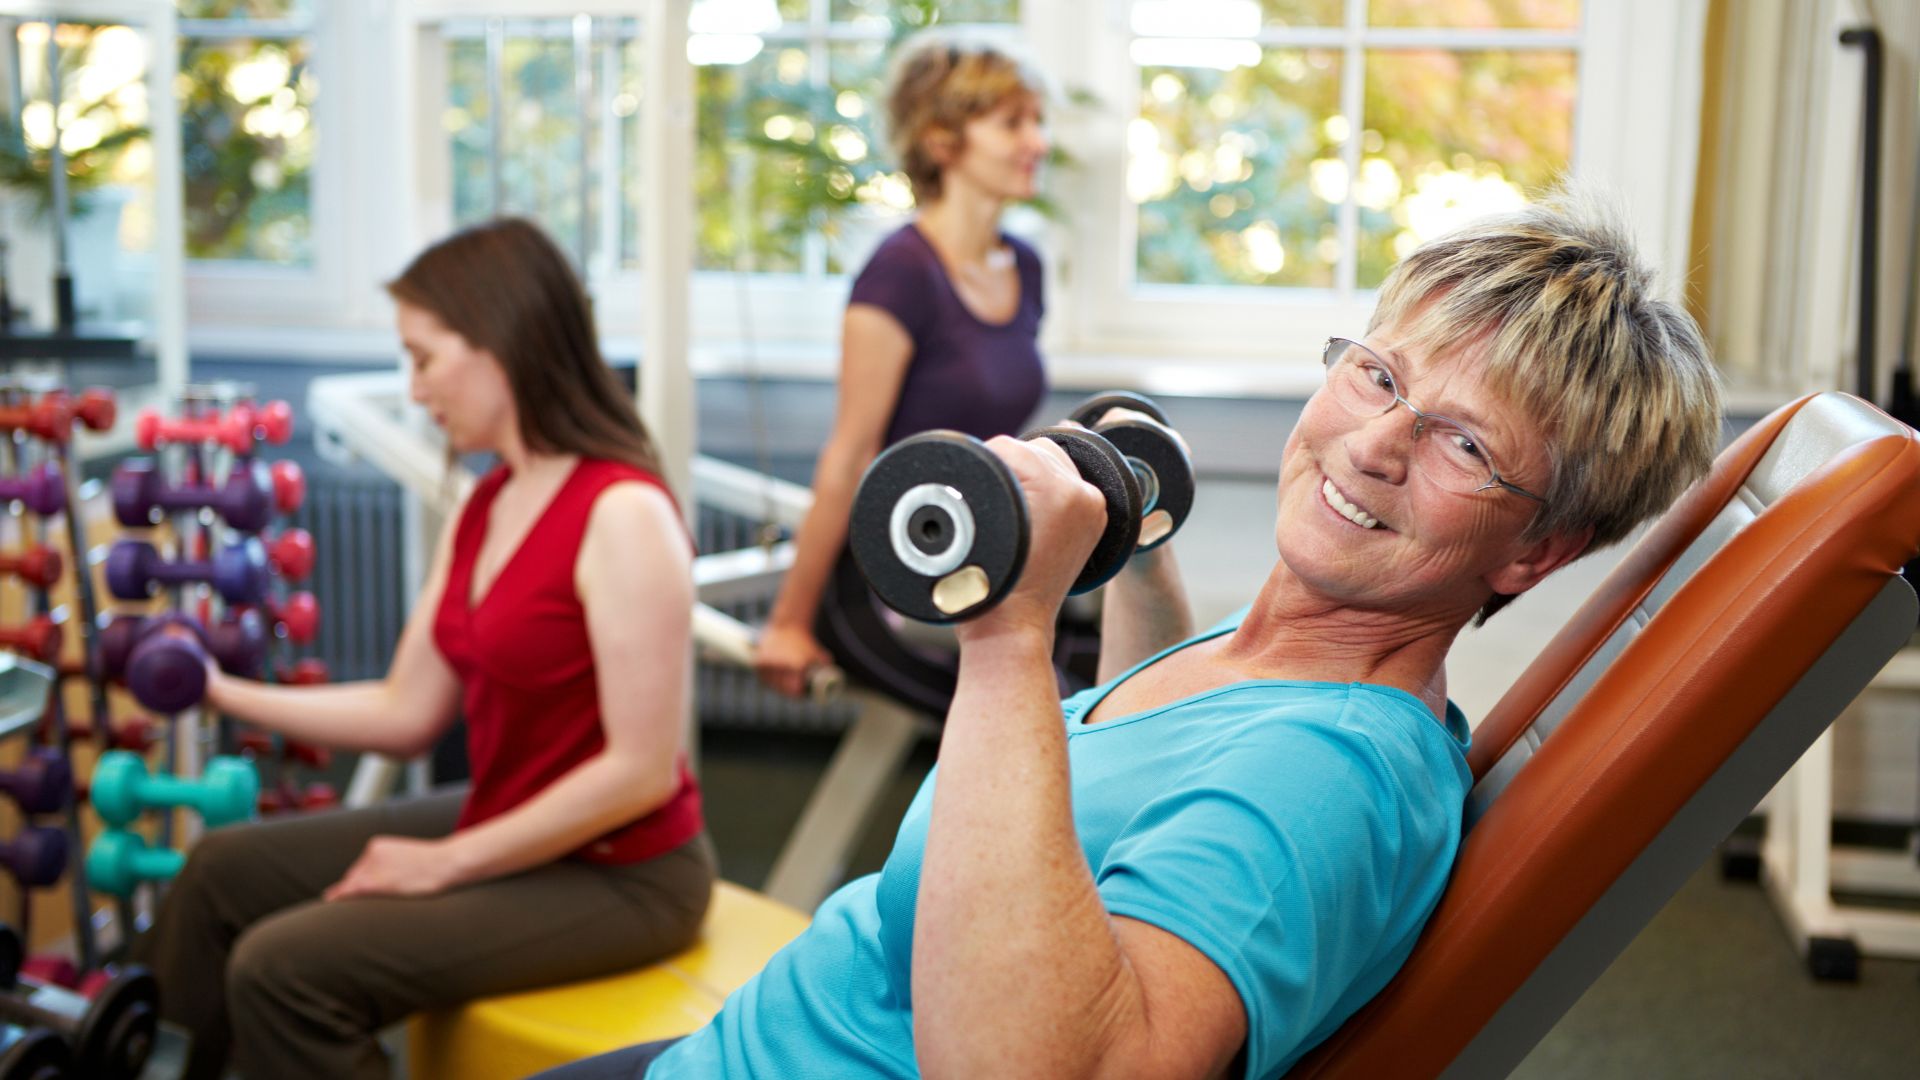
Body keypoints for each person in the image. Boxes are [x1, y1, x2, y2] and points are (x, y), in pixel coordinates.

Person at [544, 190, 1723, 1078]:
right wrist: (1134, 544)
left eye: (1466, 445)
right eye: (1377, 376)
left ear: (1533, 553)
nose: (1375, 443)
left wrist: (1006, 631)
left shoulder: (1330, 776)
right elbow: (1141, 783)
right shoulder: (1272, 662)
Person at [130, 218, 715, 1080]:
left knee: (283, 969)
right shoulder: (487, 504)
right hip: (515, 814)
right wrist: (220, 691)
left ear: (501, 343)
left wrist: (441, 864)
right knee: (219, 871)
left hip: (626, 874)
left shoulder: (622, 513)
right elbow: (407, 710)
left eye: (424, 357)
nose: (413, 388)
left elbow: (640, 773)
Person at [753, 33, 1065, 711]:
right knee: (1036, 712)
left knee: (1091, 682)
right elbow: (850, 455)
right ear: (942, 140)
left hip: (977, 552)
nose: (1037, 142)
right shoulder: (900, 275)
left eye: (1037, 121)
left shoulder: (1026, 268)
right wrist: (787, 621)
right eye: (1013, 123)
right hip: (884, 571)